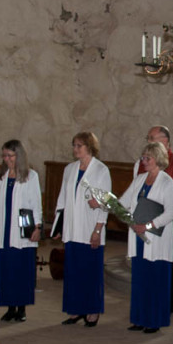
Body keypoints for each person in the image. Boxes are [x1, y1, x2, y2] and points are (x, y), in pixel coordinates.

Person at [120, 141, 173, 334]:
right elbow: (125, 201)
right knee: (140, 279)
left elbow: (172, 211)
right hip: (138, 235)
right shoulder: (140, 180)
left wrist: (148, 225)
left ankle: (154, 320)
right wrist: (107, 202)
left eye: (148, 158)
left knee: (155, 280)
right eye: (143, 158)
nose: (144, 161)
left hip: (156, 238)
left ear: (158, 159)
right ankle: (139, 318)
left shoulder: (166, 181)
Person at [135, 125, 173, 315]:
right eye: (148, 138)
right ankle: (146, 303)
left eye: (153, 138)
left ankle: (169, 303)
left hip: (170, 218)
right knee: (145, 262)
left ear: (166, 141)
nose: (149, 141)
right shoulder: (140, 164)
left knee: (171, 262)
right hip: (143, 217)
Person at [53, 131, 110, 328]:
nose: (75, 149)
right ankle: (75, 309)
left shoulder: (101, 170)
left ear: (90, 147)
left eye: (79, 146)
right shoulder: (70, 169)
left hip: (90, 228)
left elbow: (105, 203)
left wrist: (97, 230)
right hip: (72, 228)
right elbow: (62, 198)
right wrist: (59, 226)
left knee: (90, 272)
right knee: (73, 271)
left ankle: (92, 310)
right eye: (74, 145)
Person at [0, 139, 42, 323]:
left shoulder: (30, 176)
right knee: (6, 268)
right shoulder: (0, 177)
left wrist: (38, 226)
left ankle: (22, 308)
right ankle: (10, 306)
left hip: (23, 225)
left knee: (22, 268)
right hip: (4, 227)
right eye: (4, 156)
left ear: (18, 155)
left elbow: (36, 203)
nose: (7, 159)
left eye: (10, 156)